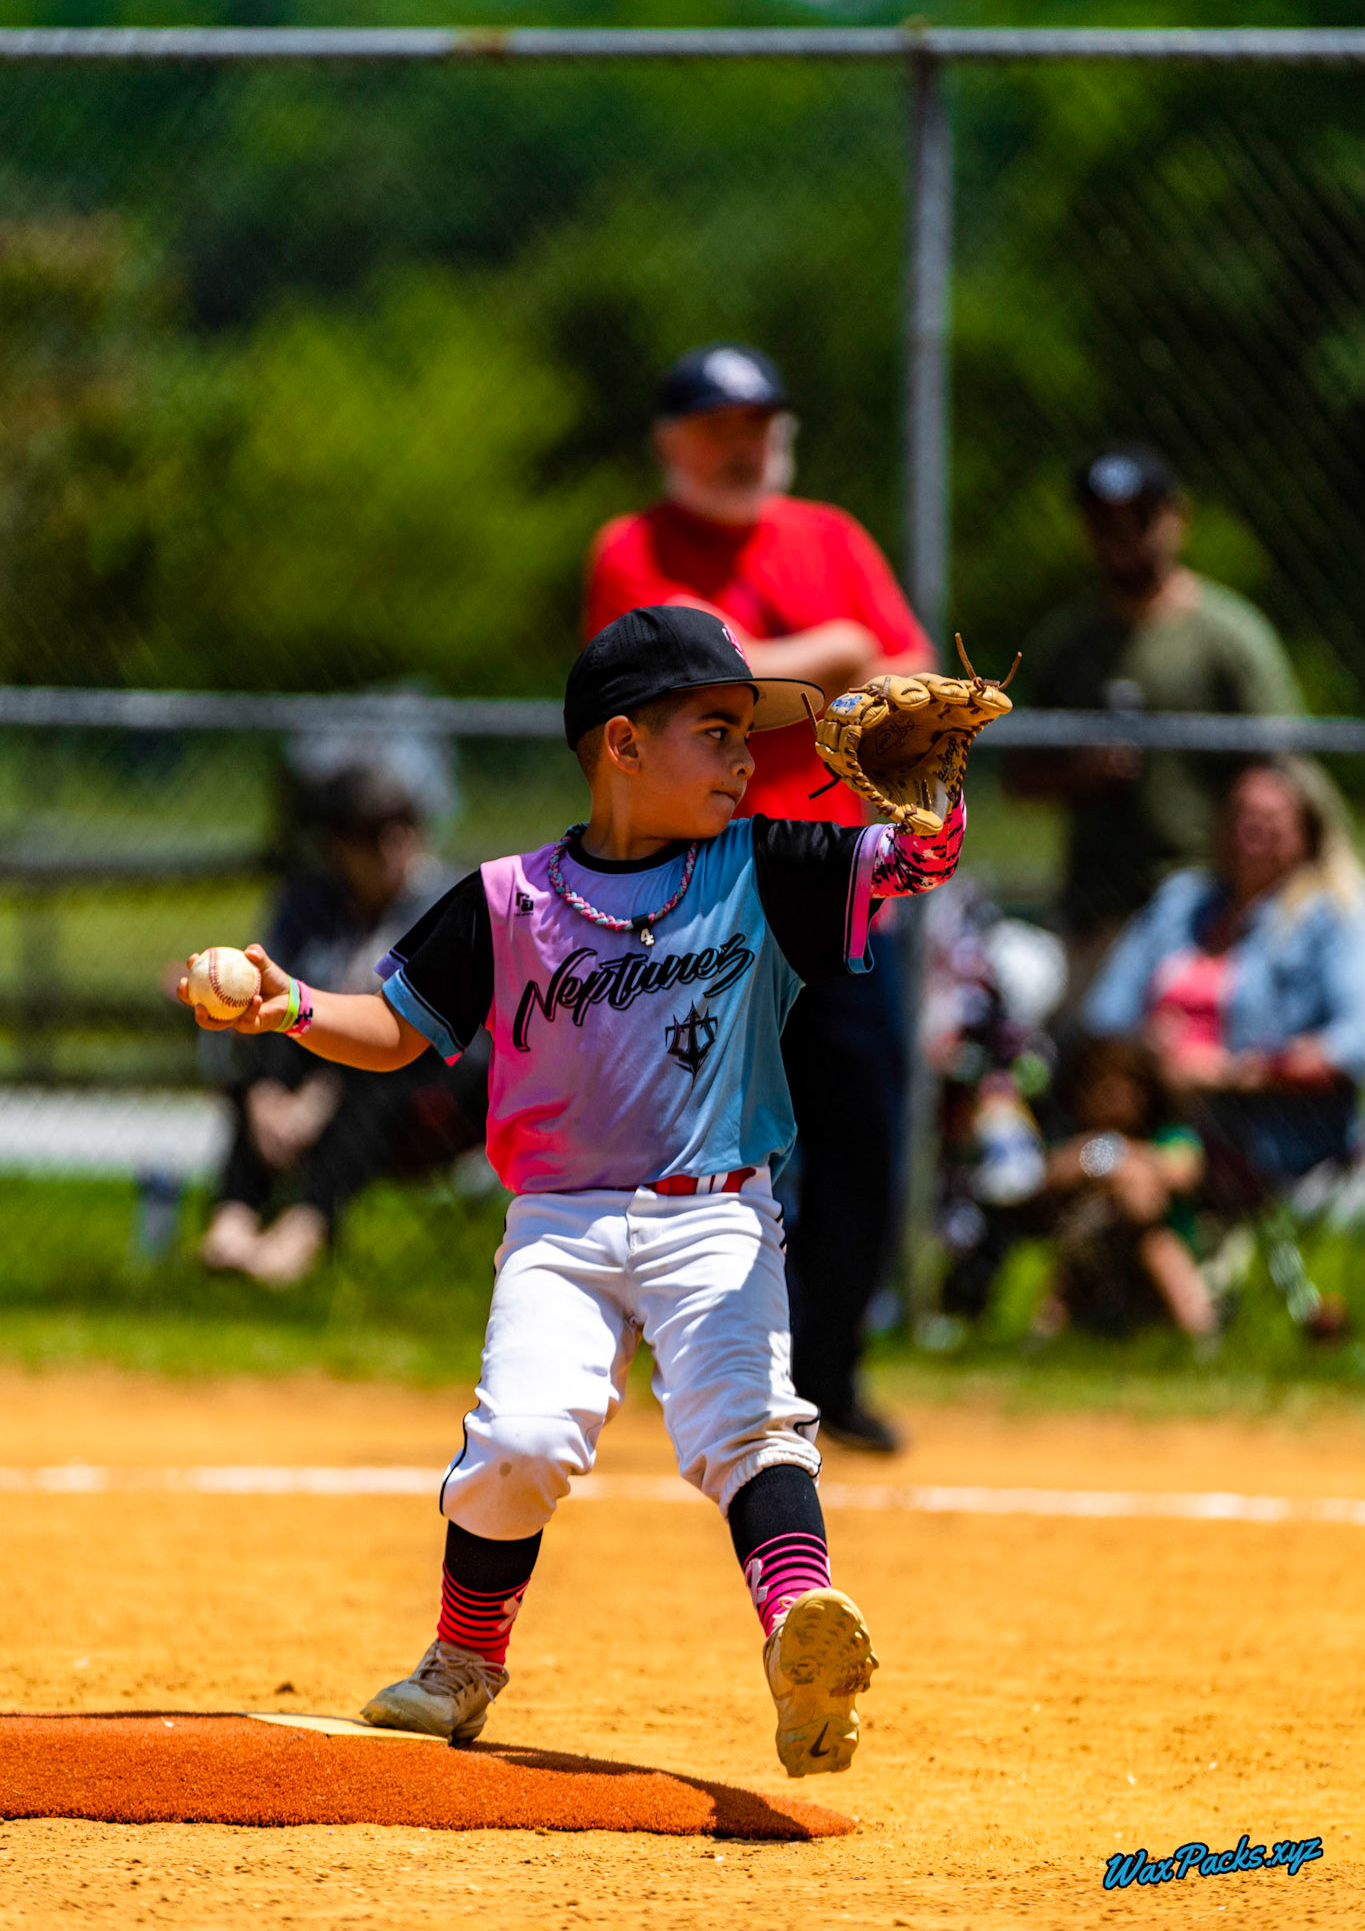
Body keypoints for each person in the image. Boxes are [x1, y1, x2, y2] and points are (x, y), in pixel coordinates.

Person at [179, 606, 971, 1776]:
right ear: (622, 745)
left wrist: (934, 802)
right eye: (718, 729)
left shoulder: (764, 861)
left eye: (748, 734)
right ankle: (461, 1662)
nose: (748, 757)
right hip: (560, 1220)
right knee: (523, 1440)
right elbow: (398, 1032)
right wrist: (282, 1003)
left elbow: (915, 864)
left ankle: (799, 1635)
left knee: (749, 1422)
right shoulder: (510, 897)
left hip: (717, 1214)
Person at [584, 343, 935, 1452]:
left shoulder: (829, 535)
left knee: (861, 1135)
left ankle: (824, 1371)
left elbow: (909, 676)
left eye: (759, 422)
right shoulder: (633, 549)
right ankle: (706, 1370)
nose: (744, 445)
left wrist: (820, 672)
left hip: (837, 889)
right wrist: (832, 654)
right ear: (671, 439)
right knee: (711, 1151)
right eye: (717, 425)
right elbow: (689, 693)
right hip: (698, 891)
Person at [1010, 445, 1302, 970]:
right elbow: (1017, 775)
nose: (1123, 541)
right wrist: (1077, 772)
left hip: (1208, 903)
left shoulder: (1229, 637)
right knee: (1093, 1045)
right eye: (1104, 525)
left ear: (1176, 518)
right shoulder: (1069, 643)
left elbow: (1285, 771)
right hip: (1095, 905)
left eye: (1140, 520)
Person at [199, 765, 488, 1287]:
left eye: (401, 829)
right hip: (316, 1070)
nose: (392, 847)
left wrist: (319, 1096)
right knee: (269, 1028)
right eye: (372, 836)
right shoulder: (310, 903)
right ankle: (235, 1218)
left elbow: (407, 1024)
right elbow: (279, 995)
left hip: (433, 1086)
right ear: (336, 846)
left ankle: (303, 1229)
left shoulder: (449, 902)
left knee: (379, 1069)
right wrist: (267, 1091)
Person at [1082, 758, 1365, 1205]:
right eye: (1239, 815)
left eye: (1269, 821)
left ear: (1308, 833)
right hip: (1157, 1116)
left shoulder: (1330, 915)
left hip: (1266, 1136)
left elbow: (1354, 1041)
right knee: (1111, 1177)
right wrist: (1150, 1048)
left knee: (1127, 1187)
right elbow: (1104, 1015)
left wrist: (1236, 1071)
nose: (1249, 831)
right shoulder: (1181, 902)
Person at [1031, 1037, 1211, 1342]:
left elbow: (1182, 1171)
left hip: (1160, 1252)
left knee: (1158, 1244)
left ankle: (1203, 1338)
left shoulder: (1170, 1137)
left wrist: (1124, 1163)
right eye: (1100, 1084)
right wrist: (1117, 1161)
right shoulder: (1084, 1142)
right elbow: (1050, 1175)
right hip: (1097, 1251)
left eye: (1126, 1085)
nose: (1112, 1094)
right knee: (1073, 1265)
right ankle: (1039, 1342)